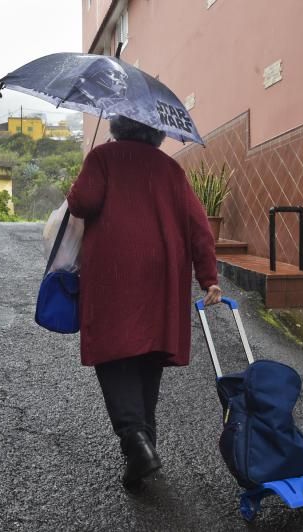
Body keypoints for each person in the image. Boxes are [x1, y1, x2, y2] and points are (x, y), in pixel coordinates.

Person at [66, 115, 222, 490]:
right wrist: (209, 277)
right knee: (149, 352)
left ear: (118, 125)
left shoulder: (103, 158)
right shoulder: (170, 168)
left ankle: (135, 441)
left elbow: (82, 203)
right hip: (162, 273)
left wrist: (84, 174)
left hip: (114, 271)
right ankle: (143, 449)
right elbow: (199, 224)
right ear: (156, 131)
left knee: (114, 351)